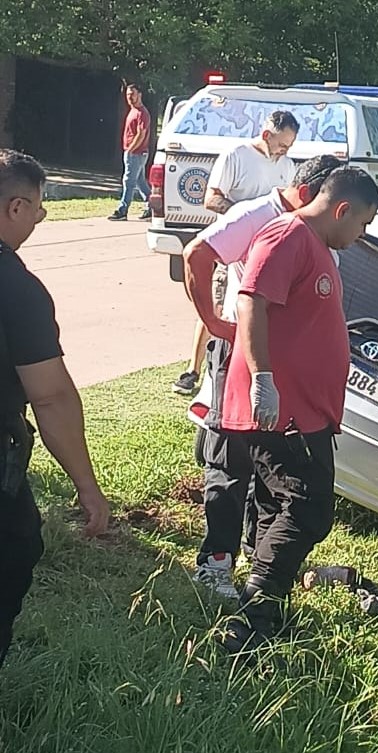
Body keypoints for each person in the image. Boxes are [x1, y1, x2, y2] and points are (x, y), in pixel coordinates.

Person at [218, 167, 378, 651]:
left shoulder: (317, 246)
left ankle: (268, 614)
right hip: (281, 410)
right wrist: (263, 378)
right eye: (363, 224)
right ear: (342, 209)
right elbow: (251, 302)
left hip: (305, 411)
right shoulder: (288, 234)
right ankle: (251, 618)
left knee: (277, 506)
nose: (362, 235)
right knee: (308, 509)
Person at [182, 155, 343, 600]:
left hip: (280, 369)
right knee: (229, 462)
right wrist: (214, 322)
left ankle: (263, 562)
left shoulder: (311, 232)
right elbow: (197, 253)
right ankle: (216, 562)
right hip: (241, 356)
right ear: (314, 194)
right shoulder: (262, 216)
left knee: (270, 470)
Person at [0, 149, 111, 667]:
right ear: (15, 208)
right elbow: (51, 395)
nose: (43, 218)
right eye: (40, 207)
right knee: (17, 550)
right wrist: (87, 488)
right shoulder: (17, 290)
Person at [171, 110, 300, 396]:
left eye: (290, 146)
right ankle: (194, 369)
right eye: (281, 143)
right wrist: (245, 217)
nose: (284, 150)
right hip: (230, 250)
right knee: (218, 306)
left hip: (266, 254)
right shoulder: (236, 156)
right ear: (266, 135)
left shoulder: (287, 166)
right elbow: (211, 198)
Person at [107, 83, 152, 222]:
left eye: (132, 94)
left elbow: (141, 133)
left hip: (136, 153)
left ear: (140, 94)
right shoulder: (133, 111)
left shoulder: (142, 113)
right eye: (128, 95)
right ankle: (153, 207)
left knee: (128, 181)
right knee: (140, 182)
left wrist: (131, 149)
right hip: (134, 152)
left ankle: (122, 210)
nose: (130, 97)